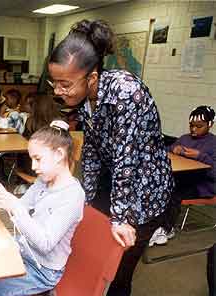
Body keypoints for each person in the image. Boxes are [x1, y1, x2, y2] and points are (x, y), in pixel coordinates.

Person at [47, 19, 174, 296]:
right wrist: (88, 201)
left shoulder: (126, 93)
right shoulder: (83, 99)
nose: (58, 92)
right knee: (92, 254)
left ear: (91, 78)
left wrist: (119, 218)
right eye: (54, 83)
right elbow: (91, 151)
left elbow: (126, 158)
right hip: (114, 180)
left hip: (144, 190)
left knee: (117, 271)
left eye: (65, 84)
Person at [0, 120, 85, 296]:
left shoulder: (72, 196)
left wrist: (15, 207)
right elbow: (22, 205)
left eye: (38, 159)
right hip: (23, 253)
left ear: (59, 154)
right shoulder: (44, 181)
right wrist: (4, 199)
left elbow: (45, 243)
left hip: (43, 271)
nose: (33, 167)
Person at [149, 106, 216, 247]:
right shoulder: (185, 138)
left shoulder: (213, 143)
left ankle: (166, 229)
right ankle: (152, 222)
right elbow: (166, 152)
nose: (194, 130)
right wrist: (173, 149)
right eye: (191, 126)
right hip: (184, 178)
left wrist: (201, 156)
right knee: (158, 185)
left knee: (174, 192)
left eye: (199, 126)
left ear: (210, 124)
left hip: (203, 185)